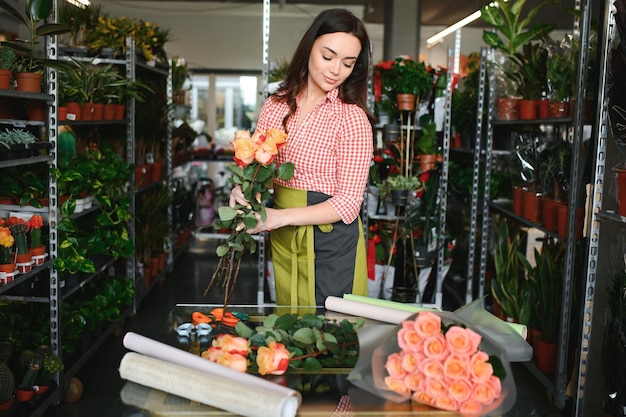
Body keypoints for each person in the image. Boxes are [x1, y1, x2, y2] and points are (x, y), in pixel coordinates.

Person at [230, 8, 375, 307]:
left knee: (331, 333)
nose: (336, 70)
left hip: (331, 242)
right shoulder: (276, 106)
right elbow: (261, 169)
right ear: (310, 46)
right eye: (328, 56)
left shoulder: (352, 119)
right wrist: (245, 190)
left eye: (348, 63)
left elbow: (348, 204)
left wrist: (278, 218)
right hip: (285, 235)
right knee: (289, 324)